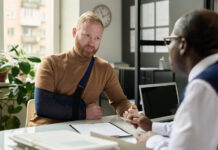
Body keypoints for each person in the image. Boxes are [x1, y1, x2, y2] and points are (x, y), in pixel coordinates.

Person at [124, 9, 218, 150]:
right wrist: (151, 126)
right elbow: (191, 131)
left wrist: (152, 140)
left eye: (169, 41)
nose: (167, 48)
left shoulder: (203, 86)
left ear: (183, 45)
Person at [28, 11, 136, 126]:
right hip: (45, 131)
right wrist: (83, 112)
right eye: (87, 35)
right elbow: (43, 106)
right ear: (74, 32)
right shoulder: (49, 63)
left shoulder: (105, 68)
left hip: (80, 132)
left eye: (97, 38)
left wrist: (130, 111)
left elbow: (120, 101)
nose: (91, 43)